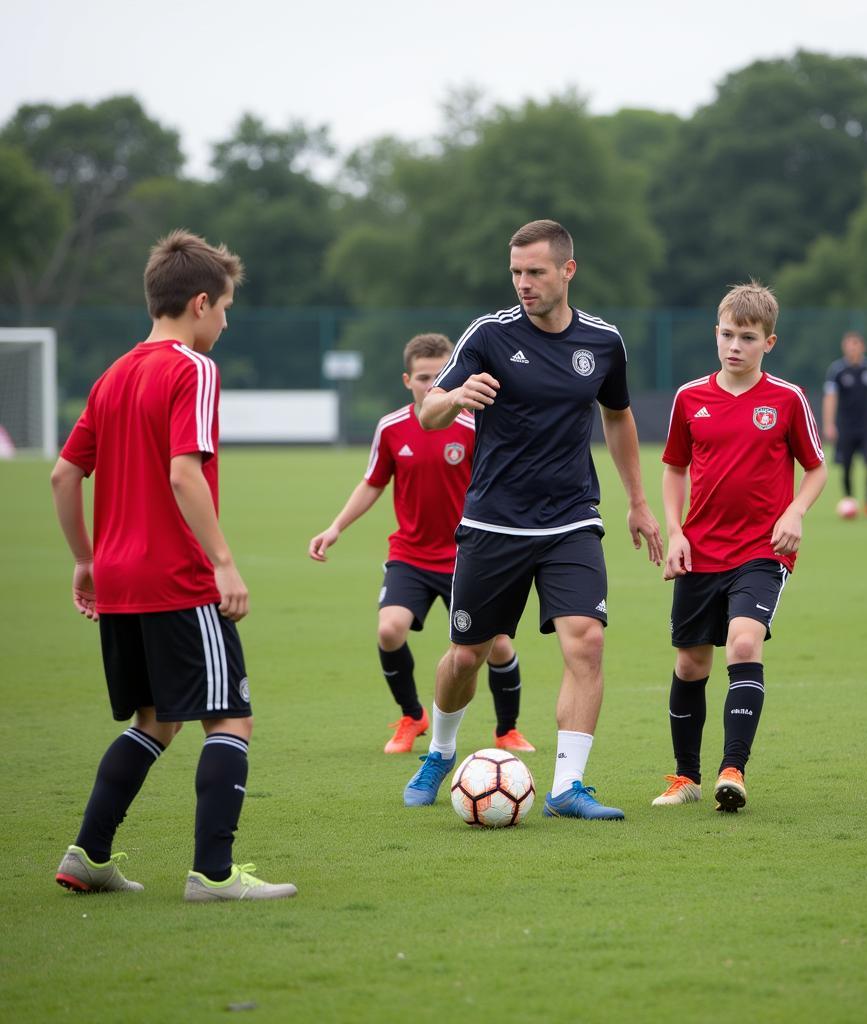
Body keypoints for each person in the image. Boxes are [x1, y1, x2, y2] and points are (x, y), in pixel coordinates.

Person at [50, 230, 295, 901]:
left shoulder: (113, 375)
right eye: (224, 308)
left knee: (156, 719)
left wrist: (84, 562)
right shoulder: (192, 369)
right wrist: (224, 565)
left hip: (121, 580)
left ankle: (88, 855)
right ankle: (214, 875)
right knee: (230, 718)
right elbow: (185, 473)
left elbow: (64, 476)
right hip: (177, 577)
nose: (226, 320)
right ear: (198, 303)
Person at [401, 219, 663, 820]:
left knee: (587, 642)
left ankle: (567, 787)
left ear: (567, 271)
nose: (523, 283)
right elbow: (428, 414)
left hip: (571, 517)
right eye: (516, 272)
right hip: (494, 521)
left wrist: (638, 501)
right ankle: (440, 750)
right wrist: (454, 396)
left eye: (536, 272)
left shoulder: (603, 342)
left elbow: (618, 417)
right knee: (467, 655)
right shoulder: (488, 335)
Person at [308, 333, 535, 755]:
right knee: (390, 630)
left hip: (468, 556)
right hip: (410, 555)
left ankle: (507, 730)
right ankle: (412, 716)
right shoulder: (392, 428)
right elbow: (372, 483)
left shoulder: (474, 425)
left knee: (498, 645)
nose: (433, 386)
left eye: (440, 376)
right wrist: (335, 527)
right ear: (407, 379)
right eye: (424, 378)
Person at [655, 281, 827, 813]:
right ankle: (686, 777)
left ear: (768, 343)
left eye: (747, 337)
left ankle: (734, 770)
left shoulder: (787, 399)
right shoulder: (689, 398)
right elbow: (674, 468)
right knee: (690, 666)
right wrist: (676, 531)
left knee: (745, 644)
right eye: (727, 334)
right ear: (716, 333)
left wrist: (796, 511)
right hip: (700, 551)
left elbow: (817, 468)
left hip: (761, 549)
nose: (735, 345)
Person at [822, 331, 867, 518]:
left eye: (856, 344)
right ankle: (849, 500)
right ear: (844, 347)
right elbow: (830, 398)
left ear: (863, 346)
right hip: (845, 426)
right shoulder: (836, 370)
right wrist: (829, 424)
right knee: (846, 466)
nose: (852, 348)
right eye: (849, 344)